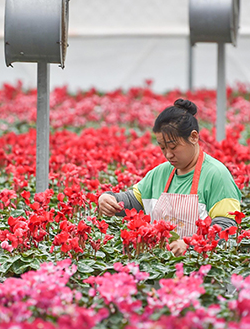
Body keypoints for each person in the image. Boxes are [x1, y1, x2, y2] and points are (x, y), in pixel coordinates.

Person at [97, 98, 242, 256]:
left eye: (173, 147)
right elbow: (133, 201)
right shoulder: (160, 173)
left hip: (199, 265)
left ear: (194, 137)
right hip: (159, 262)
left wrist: (190, 244)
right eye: (163, 148)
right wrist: (109, 199)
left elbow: (226, 227)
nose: (168, 154)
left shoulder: (216, 175)